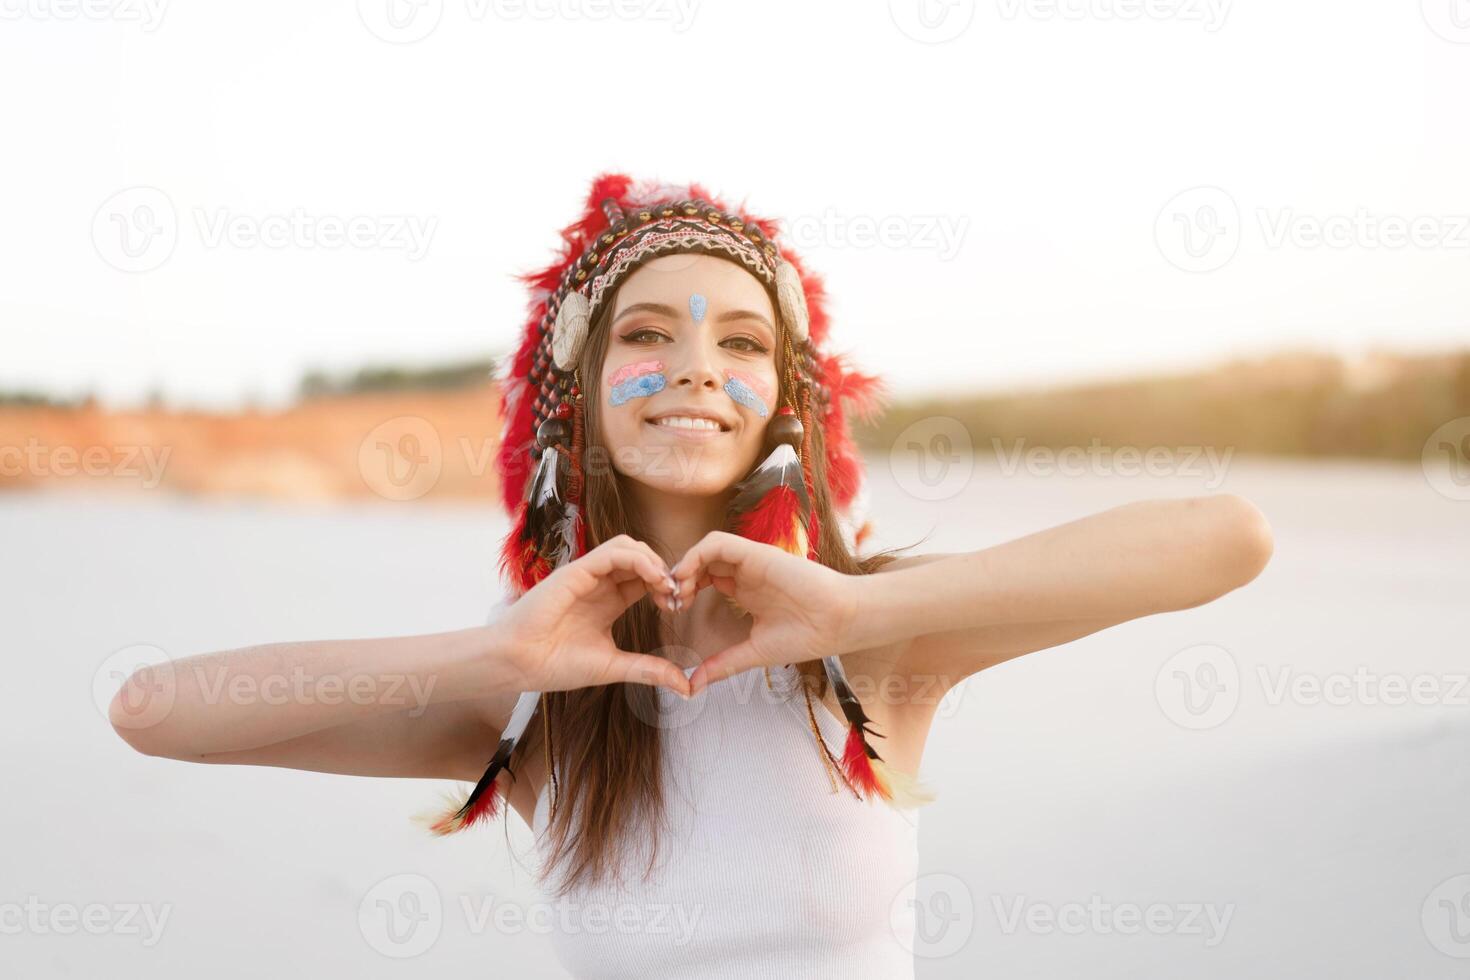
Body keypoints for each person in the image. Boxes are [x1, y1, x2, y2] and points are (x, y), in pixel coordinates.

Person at [110, 173, 1274, 979]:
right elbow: (156, 711)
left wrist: (864, 602)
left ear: (788, 399)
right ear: (578, 389)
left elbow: (1227, 536)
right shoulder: (529, 695)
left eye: (743, 343)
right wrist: (493, 656)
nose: (694, 370)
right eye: (647, 333)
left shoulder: (868, 643)